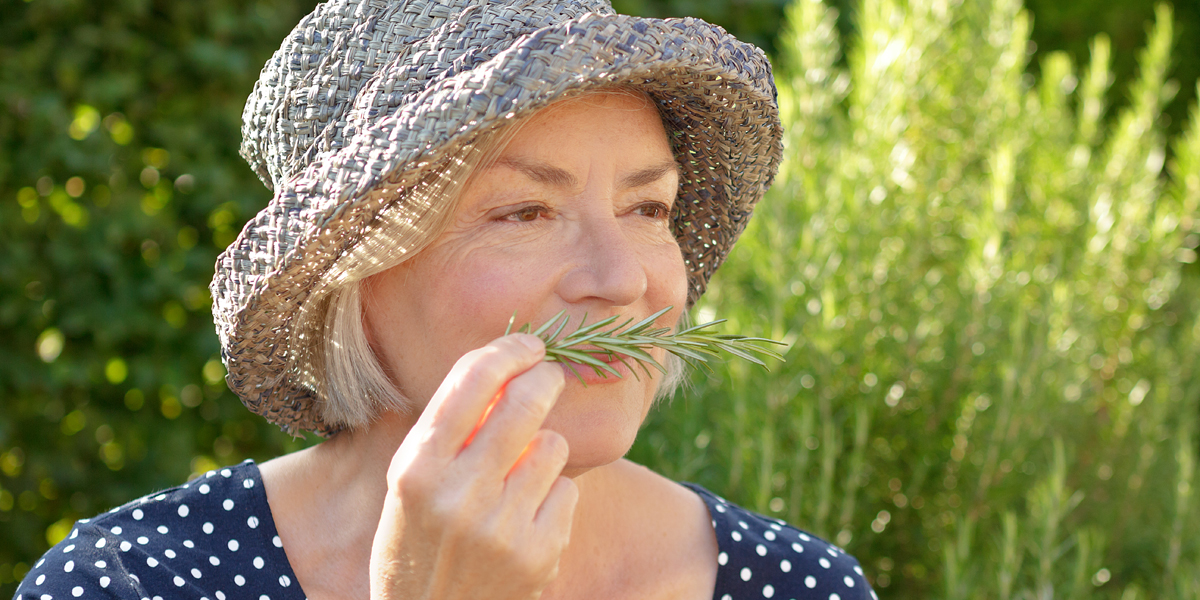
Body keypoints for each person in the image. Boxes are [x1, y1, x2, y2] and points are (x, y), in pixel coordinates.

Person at [16, 1, 875, 598]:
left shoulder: (798, 587)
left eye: (648, 208)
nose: (622, 279)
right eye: (524, 212)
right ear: (353, 273)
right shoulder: (135, 584)